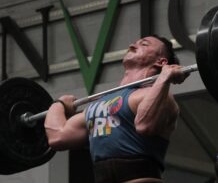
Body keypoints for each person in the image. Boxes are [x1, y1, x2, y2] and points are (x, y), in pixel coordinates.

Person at [44, 35, 190, 183]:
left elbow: (144, 125)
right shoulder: (99, 105)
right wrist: (59, 104)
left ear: (161, 62)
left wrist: (164, 78)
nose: (132, 46)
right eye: (134, 43)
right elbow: (57, 137)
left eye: (144, 44)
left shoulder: (162, 97)